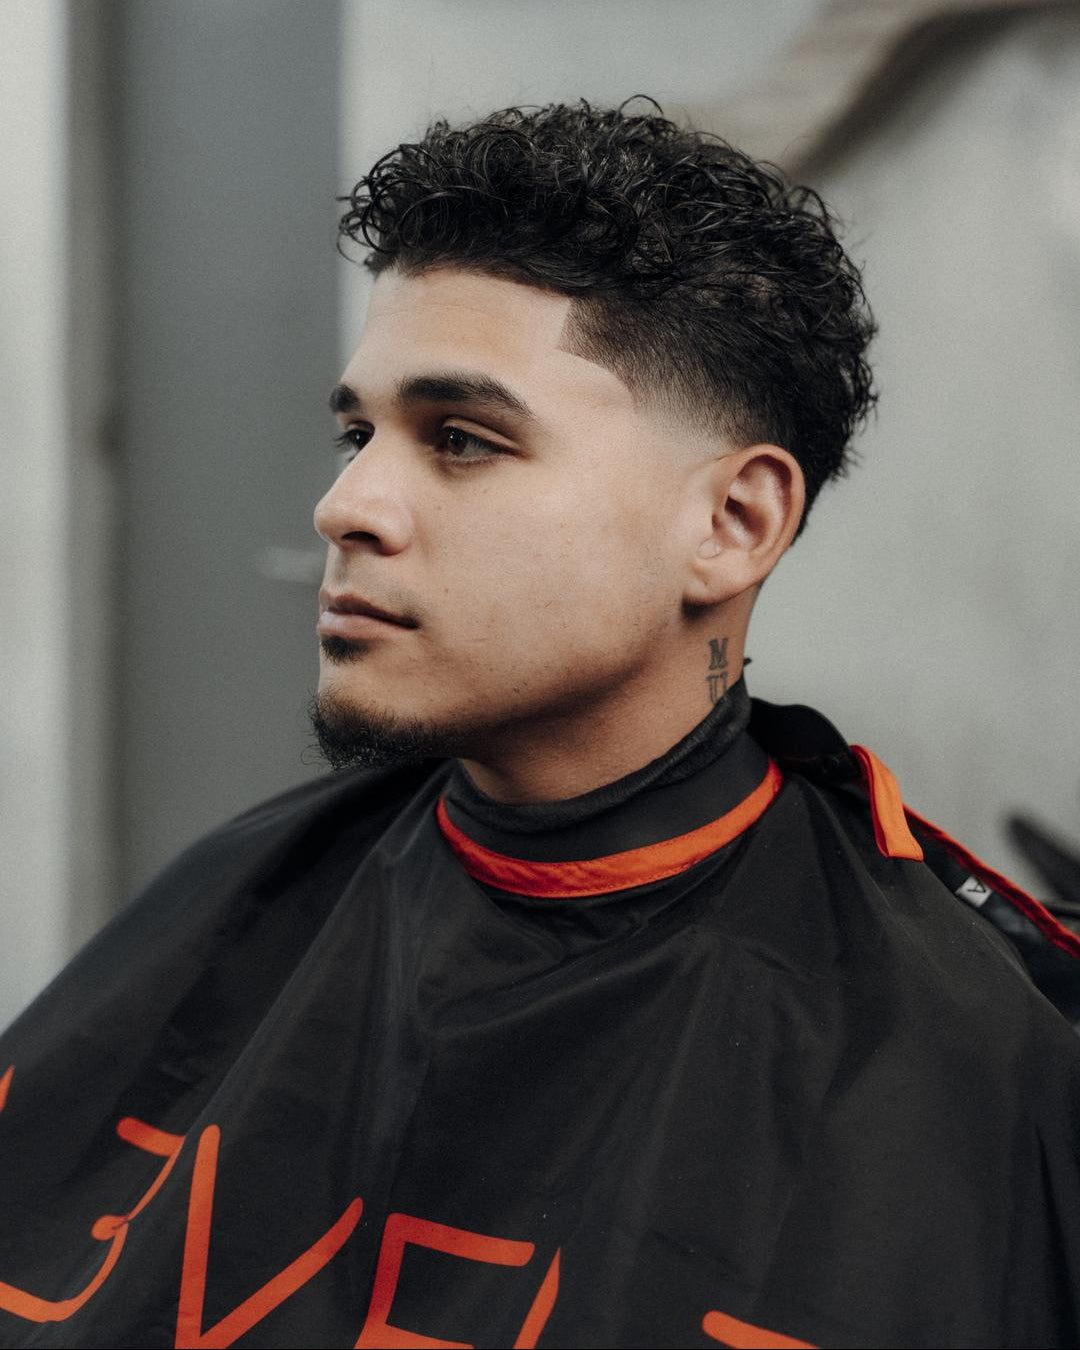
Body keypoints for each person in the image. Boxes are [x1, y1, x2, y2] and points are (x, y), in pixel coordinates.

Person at [2, 98, 1079, 1350]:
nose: (345, 506)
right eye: (358, 434)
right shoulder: (240, 893)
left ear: (732, 523)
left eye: (461, 439)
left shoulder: (966, 1064)